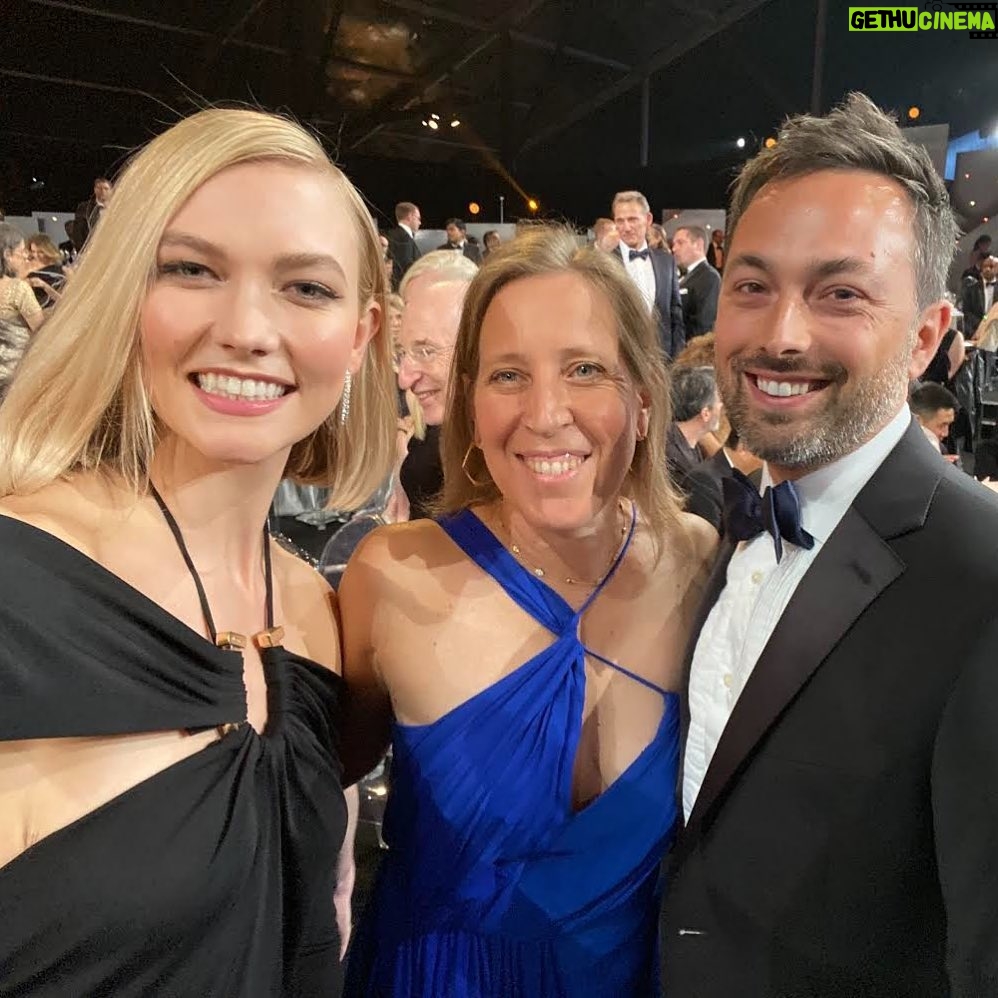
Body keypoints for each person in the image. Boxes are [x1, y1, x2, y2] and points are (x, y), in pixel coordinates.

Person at [0, 108, 396, 995]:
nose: (249, 329)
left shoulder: (315, 616)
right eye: (191, 270)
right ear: (123, 294)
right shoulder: (17, 583)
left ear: (363, 336)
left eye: (306, 288)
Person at [661, 92, 998, 997]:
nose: (780, 335)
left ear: (928, 336)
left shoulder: (983, 577)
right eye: (754, 286)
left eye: (840, 292)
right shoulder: (723, 522)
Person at [340, 227, 716, 996]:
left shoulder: (699, 561)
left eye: (584, 369)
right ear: (472, 405)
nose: (546, 413)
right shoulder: (392, 575)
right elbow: (321, 786)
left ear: (642, 400)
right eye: (508, 375)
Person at [395, 249, 478, 519]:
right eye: (403, 352)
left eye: (426, 351)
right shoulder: (431, 417)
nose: (404, 378)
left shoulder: (512, 450)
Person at [611, 190, 685, 360]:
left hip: (662, 363)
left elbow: (675, 315)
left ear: (648, 220)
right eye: (620, 221)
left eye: (632, 219)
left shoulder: (666, 261)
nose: (626, 227)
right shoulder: (603, 263)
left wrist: (678, 360)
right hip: (621, 363)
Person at [0, 222, 44, 399]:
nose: (25, 256)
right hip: (14, 373)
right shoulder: (18, 289)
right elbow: (40, 330)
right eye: (21, 252)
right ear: (7, 255)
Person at [666, 365, 723, 484]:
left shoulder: (692, 447)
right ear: (705, 413)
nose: (722, 407)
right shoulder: (670, 454)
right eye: (719, 402)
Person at [672, 225, 721, 339]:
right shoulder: (684, 275)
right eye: (674, 244)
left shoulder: (709, 277)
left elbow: (704, 325)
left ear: (698, 244)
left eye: (680, 243)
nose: (674, 249)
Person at [910, 381, 960, 460]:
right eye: (942, 425)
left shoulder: (942, 451)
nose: (945, 434)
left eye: (948, 425)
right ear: (917, 422)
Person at [26, 233, 68, 308]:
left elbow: (69, 298)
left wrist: (44, 286)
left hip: (60, 308)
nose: (36, 255)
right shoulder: (27, 268)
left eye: (40, 252)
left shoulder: (64, 270)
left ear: (48, 250)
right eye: (33, 251)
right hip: (37, 310)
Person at [387, 201, 422, 287]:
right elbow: (405, 267)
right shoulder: (404, 238)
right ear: (410, 216)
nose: (420, 223)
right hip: (404, 290)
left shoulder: (393, 234)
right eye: (418, 218)